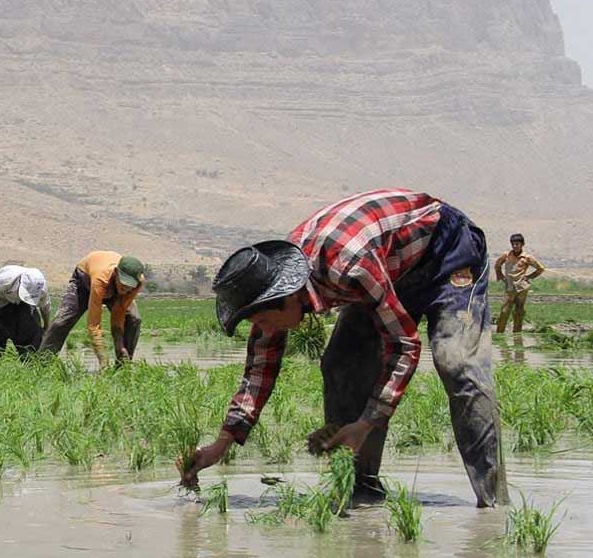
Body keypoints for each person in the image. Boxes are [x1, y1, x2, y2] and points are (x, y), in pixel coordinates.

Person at [182, 189, 507, 508]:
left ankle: (493, 502)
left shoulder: (348, 269)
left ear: (290, 296)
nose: (264, 329)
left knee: (457, 364)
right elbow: (258, 371)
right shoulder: (271, 297)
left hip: (445, 253)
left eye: (265, 320)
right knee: (341, 363)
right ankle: (358, 489)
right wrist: (221, 444)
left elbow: (405, 344)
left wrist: (367, 421)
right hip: (387, 269)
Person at [41, 251, 146, 369]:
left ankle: (123, 366)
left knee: (133, 318)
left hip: (110, 284)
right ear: (116, 273)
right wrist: (102, 359)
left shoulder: (138, 282)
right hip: (84, 279)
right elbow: (93, 324)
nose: (125, 289)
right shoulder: (100, 279)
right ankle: (43, 365)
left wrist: (119, 344)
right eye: (123, 284)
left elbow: (119, 312)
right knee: (61, 321)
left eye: (129, 287)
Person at [494, 233, 545, 334]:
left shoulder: (527, 258)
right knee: (504, 312)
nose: (515, 246)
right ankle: (499, 334)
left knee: (518, 312)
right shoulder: (506, 255)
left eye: (517, 244)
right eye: (513, 244)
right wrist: (500, 276)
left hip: (521, 288)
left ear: (522, 244)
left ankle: (516, 335)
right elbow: (497, 265)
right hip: (509, 288)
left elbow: (540, 268)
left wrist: (529, 277)